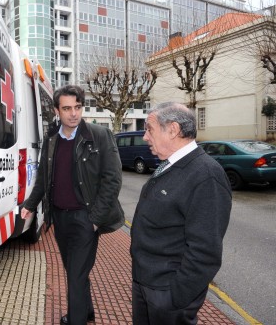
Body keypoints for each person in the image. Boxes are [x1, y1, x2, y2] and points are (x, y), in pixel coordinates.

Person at [21, 85, 124, 325]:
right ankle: (86, 310)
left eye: (77, 107)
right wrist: (30, 203)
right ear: (57, 110)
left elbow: (113, 179)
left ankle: (76, 319)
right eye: (67, 108)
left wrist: (96, 219)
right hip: (59, 218)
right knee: (74, 270)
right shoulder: (52, 138)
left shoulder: (99, 135)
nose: (74, 113)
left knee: (76, 275)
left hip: (85, 219)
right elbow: (44, 178)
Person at [130, 102, 232, 325]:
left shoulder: (206, 175)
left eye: (149, 129)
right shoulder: (168, 165)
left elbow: (205, 251)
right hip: (146, 283)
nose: (145, 137)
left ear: (173, 130)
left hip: (168, 295)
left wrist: (176, 298)